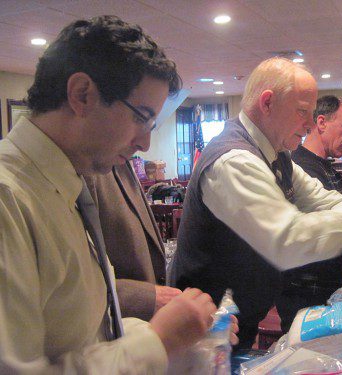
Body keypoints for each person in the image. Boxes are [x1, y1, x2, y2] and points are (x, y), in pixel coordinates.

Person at [0, 16, 217, 373]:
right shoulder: (10, 200)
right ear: (82, 95)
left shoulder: (69, 186)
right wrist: (157, 340)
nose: (145, 142)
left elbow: (83, 335)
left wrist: (179, 333)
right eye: (141, 117)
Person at [170, 57, 342, 348]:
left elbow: (320, 199)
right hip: (201, 328)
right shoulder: (234, 160)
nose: (309, 124)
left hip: (232, 316)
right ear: (267, 103)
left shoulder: (276, 152)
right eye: (302, 112)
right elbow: (286, 240)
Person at [276, 95, 342, 333]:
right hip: (305, 297)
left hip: (325, 290)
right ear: (321, 123)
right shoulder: (301, 166)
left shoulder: (324, 165)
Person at [85, 163, 182, 321]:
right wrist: (149, 299)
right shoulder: (87, 164)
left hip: (143, 330)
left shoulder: (119, 162)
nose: (145, 145)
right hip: (116, 334)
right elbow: (70, 292)